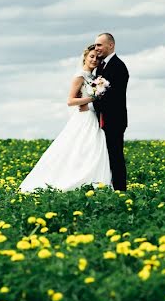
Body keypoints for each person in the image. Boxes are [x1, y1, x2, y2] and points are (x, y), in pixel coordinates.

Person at [19, 44, 112, 192]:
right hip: (83, 118)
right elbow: (70, 101)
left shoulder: (94, 78)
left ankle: (92, 182)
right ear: (85, 57)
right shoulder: (80, 76)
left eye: (97, 58)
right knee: (78, 149)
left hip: (92, 117)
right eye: (91, 56)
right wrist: (93, 98)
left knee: (92, 150)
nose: (94, 60)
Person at [92, 33, 130, 191]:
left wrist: (94, 102)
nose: (96, 48)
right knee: (104, 156)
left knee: (115, 157)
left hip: (114, 120)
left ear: (111, 45)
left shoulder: (118, 66)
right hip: (102, 119)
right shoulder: (101, 66)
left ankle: (121, 190)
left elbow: (114, 97)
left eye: (99, 45)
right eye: (95, 45)